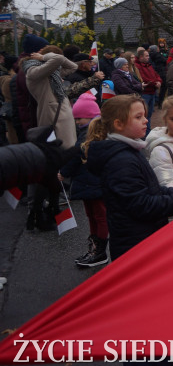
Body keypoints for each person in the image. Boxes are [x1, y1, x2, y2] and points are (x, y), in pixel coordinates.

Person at [84, 95, 173, 260]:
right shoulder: (121, 161)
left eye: (144, 115)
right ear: (119, 124)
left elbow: (153, 190)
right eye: (138, 117)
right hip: (135, 246)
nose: (146, 120)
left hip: (142, 238)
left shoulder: (129, 151)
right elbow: (143, 205)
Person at [59, 92, 109, 267]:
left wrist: (63, 172)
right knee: (93, 215)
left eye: (79, 118)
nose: (77, 121)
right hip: (89, 182)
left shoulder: (87, 135)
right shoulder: (92, 132)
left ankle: (99, 251)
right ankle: (95, 248)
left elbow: (75, 155)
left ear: (88, 117)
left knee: (98, 216)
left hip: (92, 182)